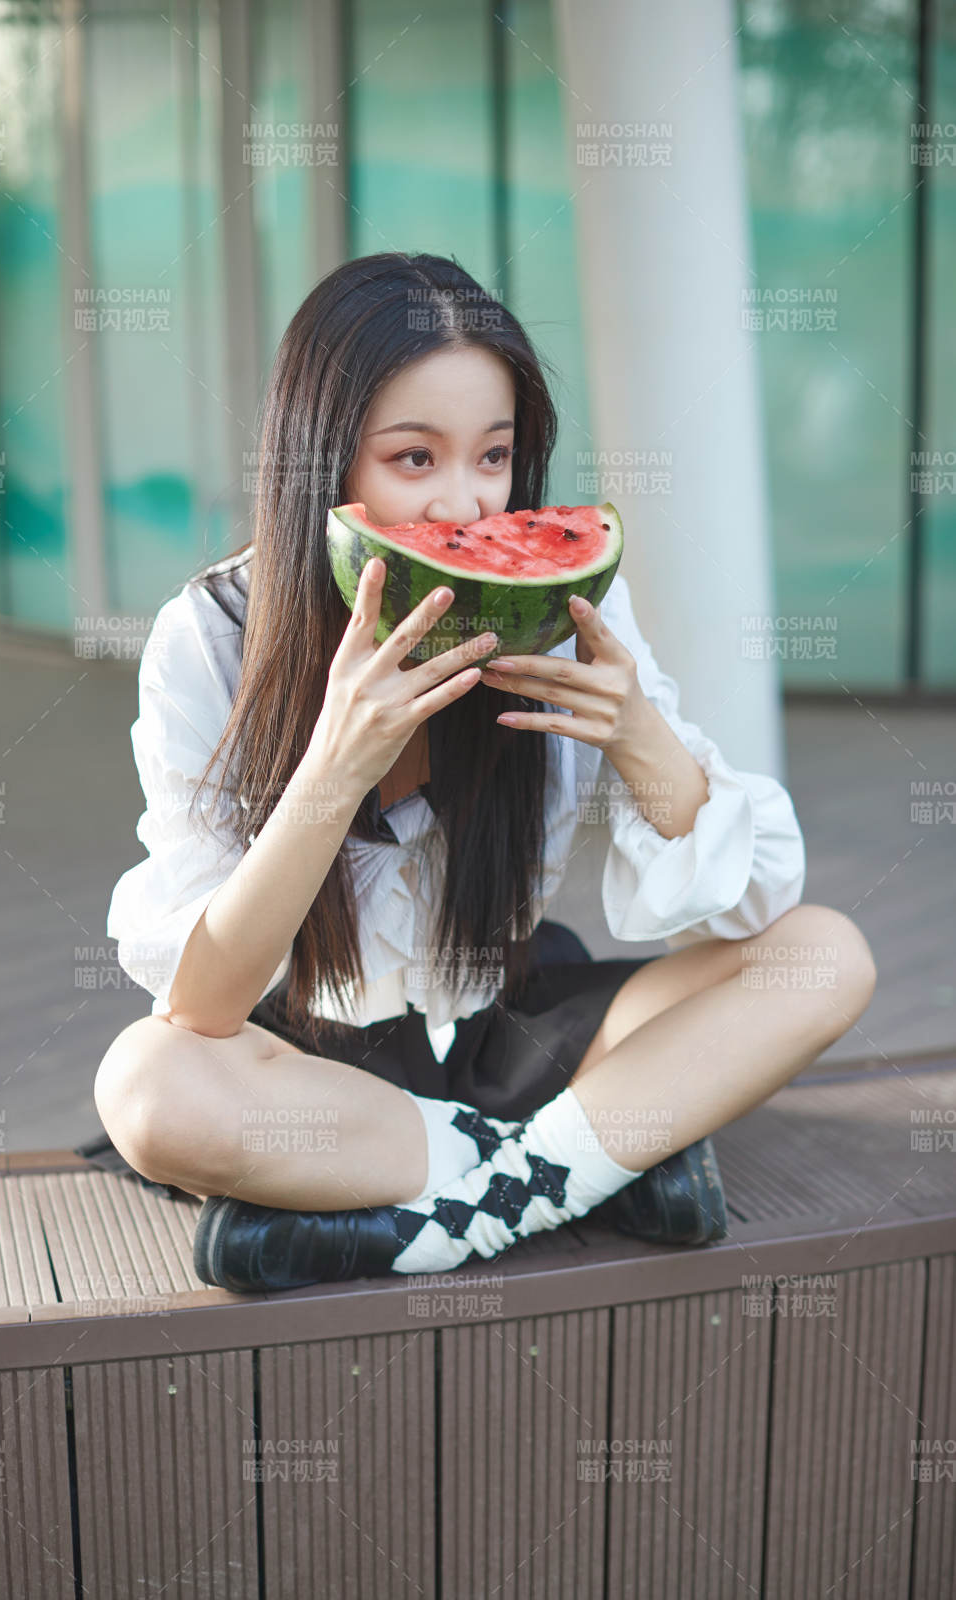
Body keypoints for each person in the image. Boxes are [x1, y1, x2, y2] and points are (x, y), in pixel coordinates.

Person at [91, 251, 877, 1293]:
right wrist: (333, 769)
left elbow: (747, 912)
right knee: (146, 1086)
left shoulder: (565, 606)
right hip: (310, 1069)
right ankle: (597, 1165)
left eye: (493, 456)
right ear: (323, 460)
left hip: (517, 1034)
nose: (463, 506)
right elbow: (202, 1007)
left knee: (822, 956)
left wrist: (640, 737)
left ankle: (446, 1213)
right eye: (413, 459)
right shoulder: (212, 639)